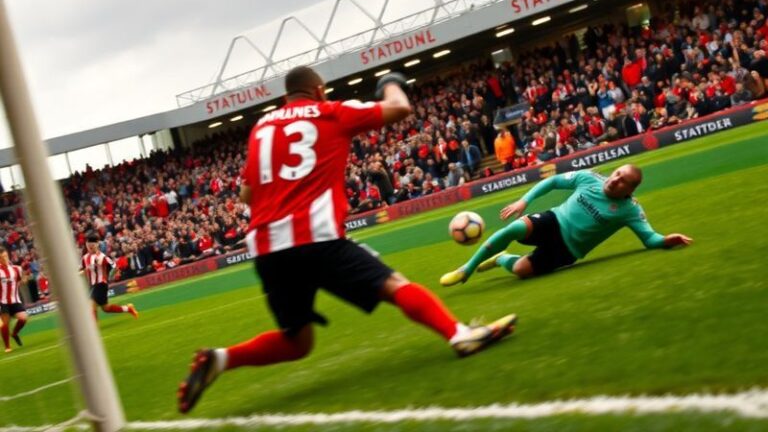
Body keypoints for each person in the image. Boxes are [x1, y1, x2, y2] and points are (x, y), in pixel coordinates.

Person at [177, 66, 517, 414]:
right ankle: (458, 334)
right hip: (316, 238)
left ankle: (219, 359)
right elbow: (400, 107)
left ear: (285, 98)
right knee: (393, 285)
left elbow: (248, 195)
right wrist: (390, 83)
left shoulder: (261, 128)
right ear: (319, 90)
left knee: (297, 342)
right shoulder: (330, 111)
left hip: (267, 248)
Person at [440, 164, 692, 286]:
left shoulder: (630, 210)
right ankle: (466, 269)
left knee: (520, 270)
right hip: (553, 220)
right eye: (616, 174)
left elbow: (648, 238)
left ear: (631, 189)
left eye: (623, 181)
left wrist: (665, 241)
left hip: (568, 251)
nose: (615, 180)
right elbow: (552, 182)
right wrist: (523, 201)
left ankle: (500, 259)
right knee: (516, 228)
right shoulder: (590, 178)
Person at [80, 235, 138, 320]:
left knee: (91, 305)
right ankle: (128, 308)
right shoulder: (84, 258)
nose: (90, 246)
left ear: (97, 245)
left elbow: (115, 266)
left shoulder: (102, 257)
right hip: (92, 285)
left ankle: (94, 330)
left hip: (101, 284)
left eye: (92, 244)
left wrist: (111, 275)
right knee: (106, 308)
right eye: (88, 244)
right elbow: (84, 270)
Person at [0, 246, 28, 353]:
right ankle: (7, 347)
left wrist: (23, 281)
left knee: (23, 318)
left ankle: (15, 333)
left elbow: (23, 278)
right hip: (3, 302)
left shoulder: (16, 269)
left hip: (15, 300)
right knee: (5, 324)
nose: (4, 258)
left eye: (5, 256)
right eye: (2, 257)